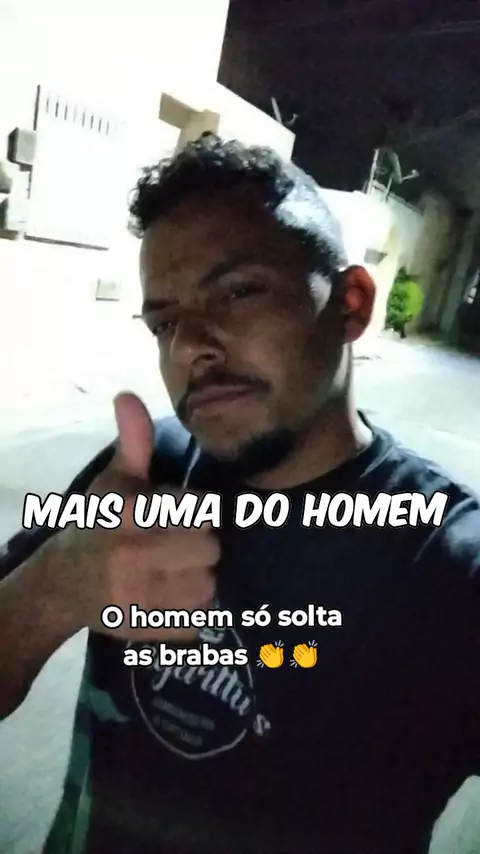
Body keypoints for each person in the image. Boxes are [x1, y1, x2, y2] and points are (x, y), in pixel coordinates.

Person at [1, 133, 480, 854]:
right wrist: (55, 586)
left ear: (350, 304)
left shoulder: (448, 567)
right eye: (165, 321)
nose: (189, 346)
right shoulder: (143, 473)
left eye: (238, 292)